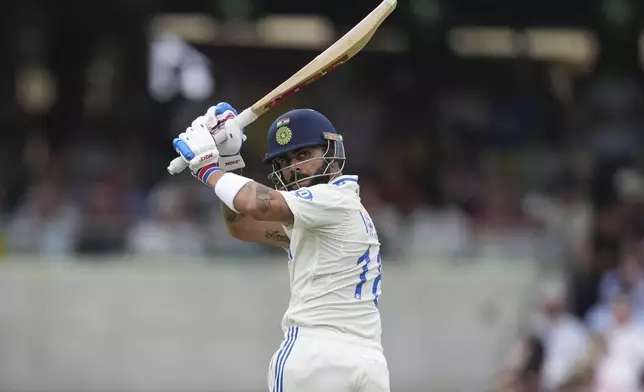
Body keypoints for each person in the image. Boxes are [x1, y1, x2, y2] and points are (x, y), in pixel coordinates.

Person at [170, 103, 389, 392]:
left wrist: (207, 168)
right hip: (367, 361)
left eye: (304, 155)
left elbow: (255, 204)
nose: (294, 167)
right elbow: (242, 226)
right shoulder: (325, 216)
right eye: (284, 161)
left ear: (332, 154)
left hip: (315, 354)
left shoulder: (330, 199)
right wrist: (229, 160)